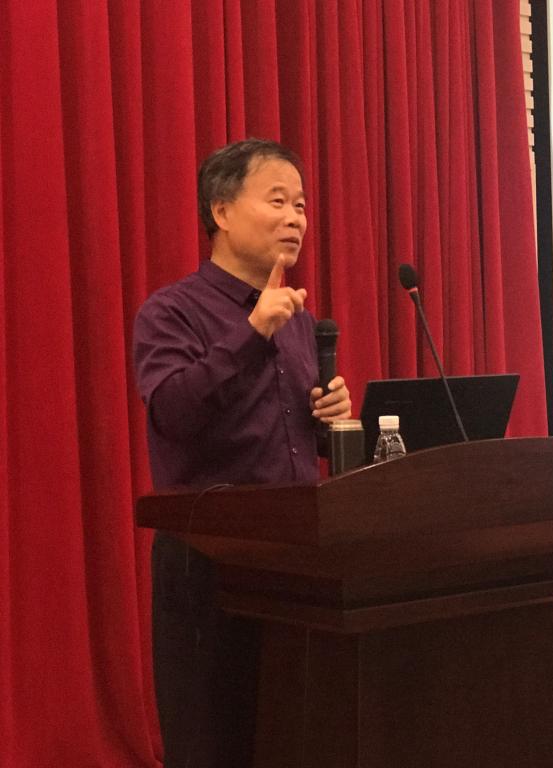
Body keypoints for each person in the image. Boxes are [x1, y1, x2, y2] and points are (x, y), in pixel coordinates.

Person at [132, 138, 351, 767]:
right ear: (221, 211)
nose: (295, 218)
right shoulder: (171, 312)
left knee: (292, 736)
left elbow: (284, 439)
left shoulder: (299, 320)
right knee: (212, 739)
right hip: (210, 560)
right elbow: (173, 413)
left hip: (296, 556)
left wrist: (328, 421)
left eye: (301, 205)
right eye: (277, 201)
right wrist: (253, 332)